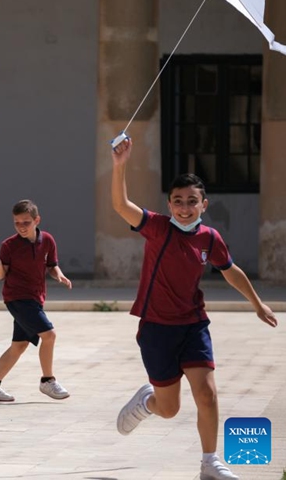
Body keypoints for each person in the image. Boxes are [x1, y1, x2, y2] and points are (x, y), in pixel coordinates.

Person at [111, 138, 278, 480]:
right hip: (157, 329)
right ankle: (147, 402)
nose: (184, 208)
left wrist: (257, 303)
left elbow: (231, 270)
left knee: (207, 393)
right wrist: (119, 165)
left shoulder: (209, 238)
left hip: (193, 326)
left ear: (204, 204)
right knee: (169, 409)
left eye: (191, 201)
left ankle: (209, 462)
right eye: (178, 202)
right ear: (169, 205)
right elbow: (120, 204)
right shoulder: (156, 227)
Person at [0, 199, 73, 403]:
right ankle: (48, 380)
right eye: (17, 223)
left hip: (36, 298)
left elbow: (52, 265)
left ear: (37, 220)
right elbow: (1, 275)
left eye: (26, 222)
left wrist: (60, 275)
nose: (21, 227)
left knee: (19, 346)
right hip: (17, 298)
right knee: (49, 335)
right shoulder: (9, 245)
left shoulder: (47, 240)